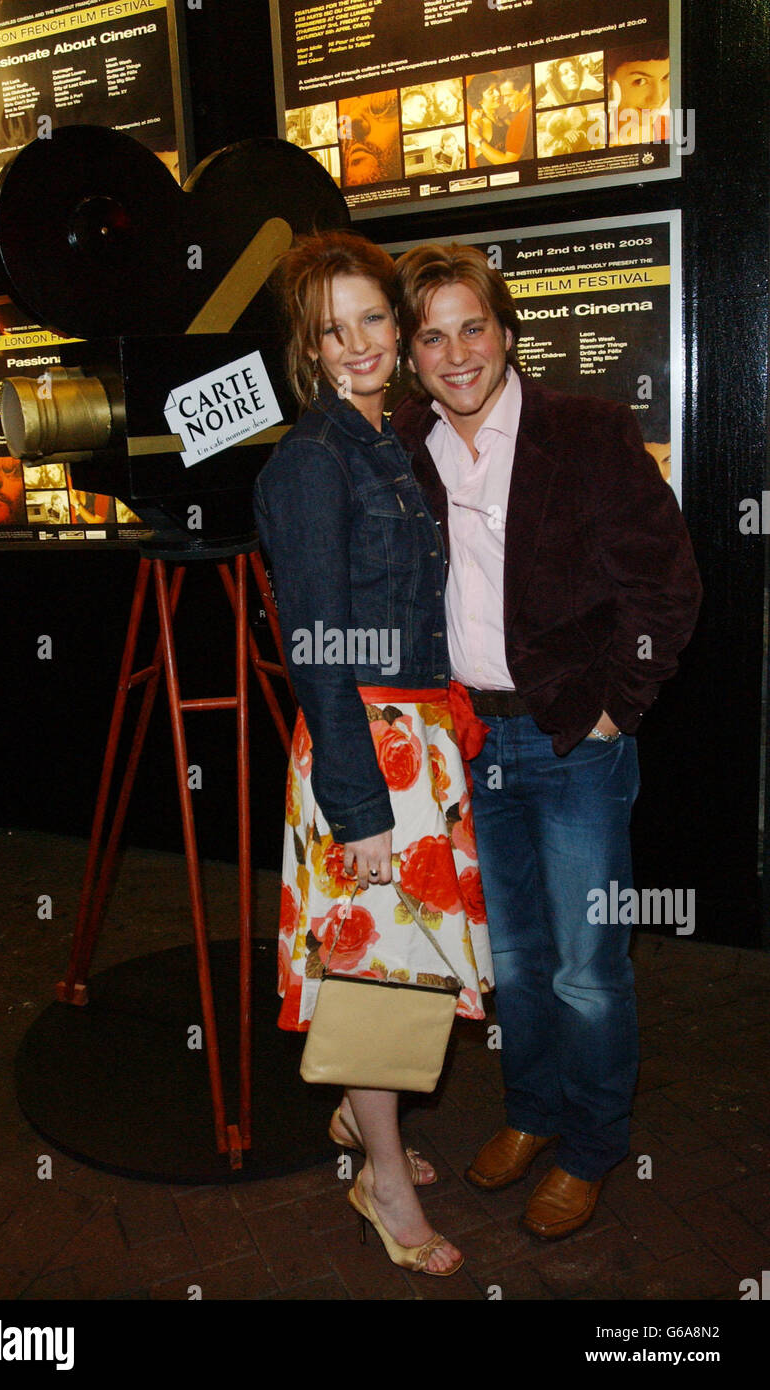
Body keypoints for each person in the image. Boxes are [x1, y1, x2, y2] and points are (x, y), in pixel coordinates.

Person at [392, 243, 702, 1240]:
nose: (456, 352)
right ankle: (531, 1114)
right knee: (514, 962)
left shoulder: (589, 430)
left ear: (507, 331)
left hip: (576, 743)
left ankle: (592, 1145)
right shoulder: (407, 447)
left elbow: (669, 585)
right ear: (412, 355)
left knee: (584, 966)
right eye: (431, 335)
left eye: (470, 326)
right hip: (470, 744)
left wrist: (619, 704)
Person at [253, 230, 492, 1276]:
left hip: (415, 738)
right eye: (330, 328)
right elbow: (312, 647)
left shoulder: (383, 436)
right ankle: (381, 1179)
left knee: (399, 973)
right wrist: (360, 812)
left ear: (396, 328)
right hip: (367, 751)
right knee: (380, 983)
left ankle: (364, 1124)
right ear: (307, 347)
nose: (357, 344)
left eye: (371, 319)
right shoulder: (312, 457)